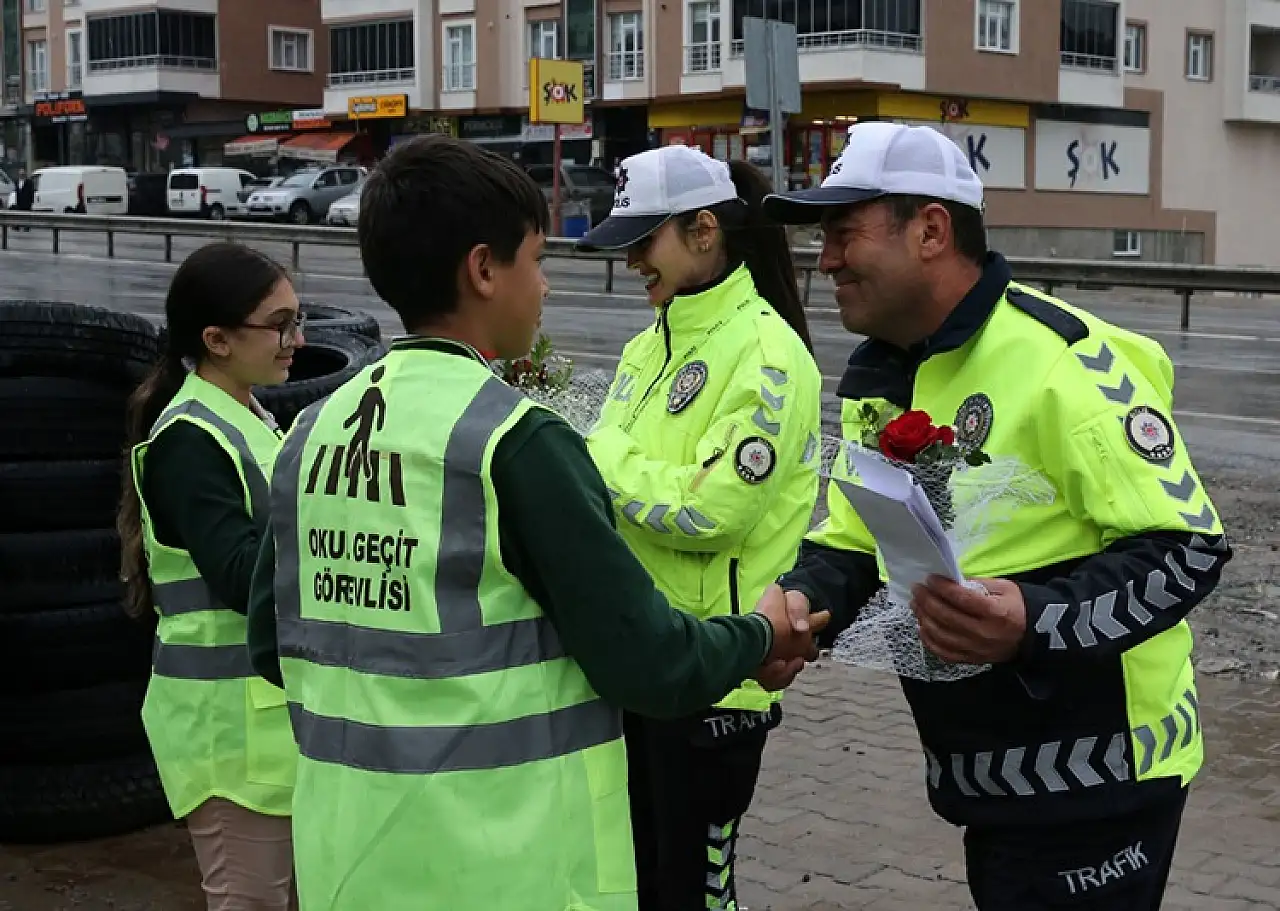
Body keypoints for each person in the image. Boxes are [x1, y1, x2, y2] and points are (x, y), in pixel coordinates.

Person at [242, 133, 828, 911]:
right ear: (484, 270)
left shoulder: (311, 431)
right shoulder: (514, 441)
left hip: (350, 853)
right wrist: (760, 637)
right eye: (536, 261)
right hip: (498, 855)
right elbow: (644, 658)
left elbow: (270, 643)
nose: (548, 287)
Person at [760, 121, 1232, 911]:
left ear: (932, 231)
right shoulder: (881, 373)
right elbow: (852, 538)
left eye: (843, 234)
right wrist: (801, 604)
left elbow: (1188, 548)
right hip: (986, 780)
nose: (826, 259)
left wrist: (1034, 622)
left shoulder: (1063, 360)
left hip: (1106, 779)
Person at [573, 145, 822, 911]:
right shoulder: (647, 344)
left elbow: (711, 510)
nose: (631, 264)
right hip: (638, 664)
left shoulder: (769, 353)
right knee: (640, 884)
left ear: (705, 229)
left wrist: (603, 452)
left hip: (717, 679)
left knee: (695, 895)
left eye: (643, 242)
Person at [118, 242, 305, 911]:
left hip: (272, 724)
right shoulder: (189, 441)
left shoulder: (254, 419)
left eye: (298, 318)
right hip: (226, 734)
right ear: (217, 340)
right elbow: (239, 573)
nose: (297, 339)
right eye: (280, 324)